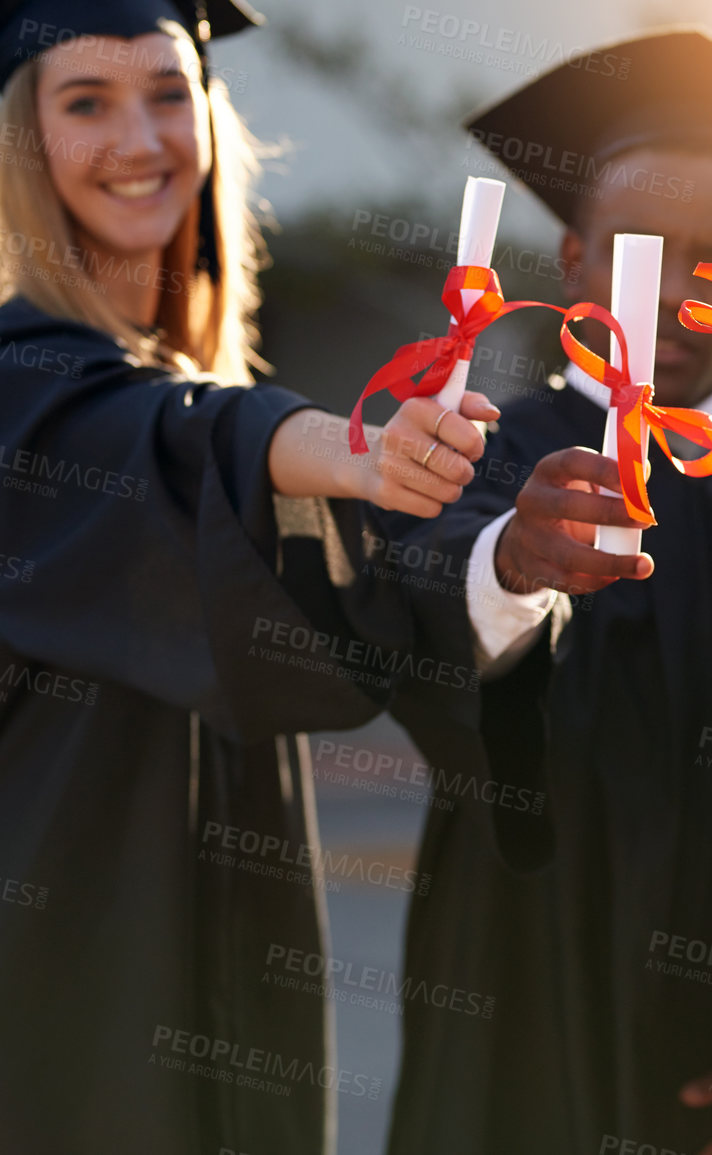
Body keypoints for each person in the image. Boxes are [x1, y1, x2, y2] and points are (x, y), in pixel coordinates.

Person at [379, 29, 712, 1155]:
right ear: (573, 266)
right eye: (640, 251)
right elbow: (416, 605)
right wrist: (516, 563)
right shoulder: (484, 453)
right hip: (523, 1008)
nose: (672, 294)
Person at [0, 2, 493, 1152]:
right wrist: (351, 450)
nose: (141, 136)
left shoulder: (167, 375)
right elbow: (171, 435)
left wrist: (508, 557)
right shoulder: (25, 386)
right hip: (55, 978)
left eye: (169, 93)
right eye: (86, 102)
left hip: (215, 953)